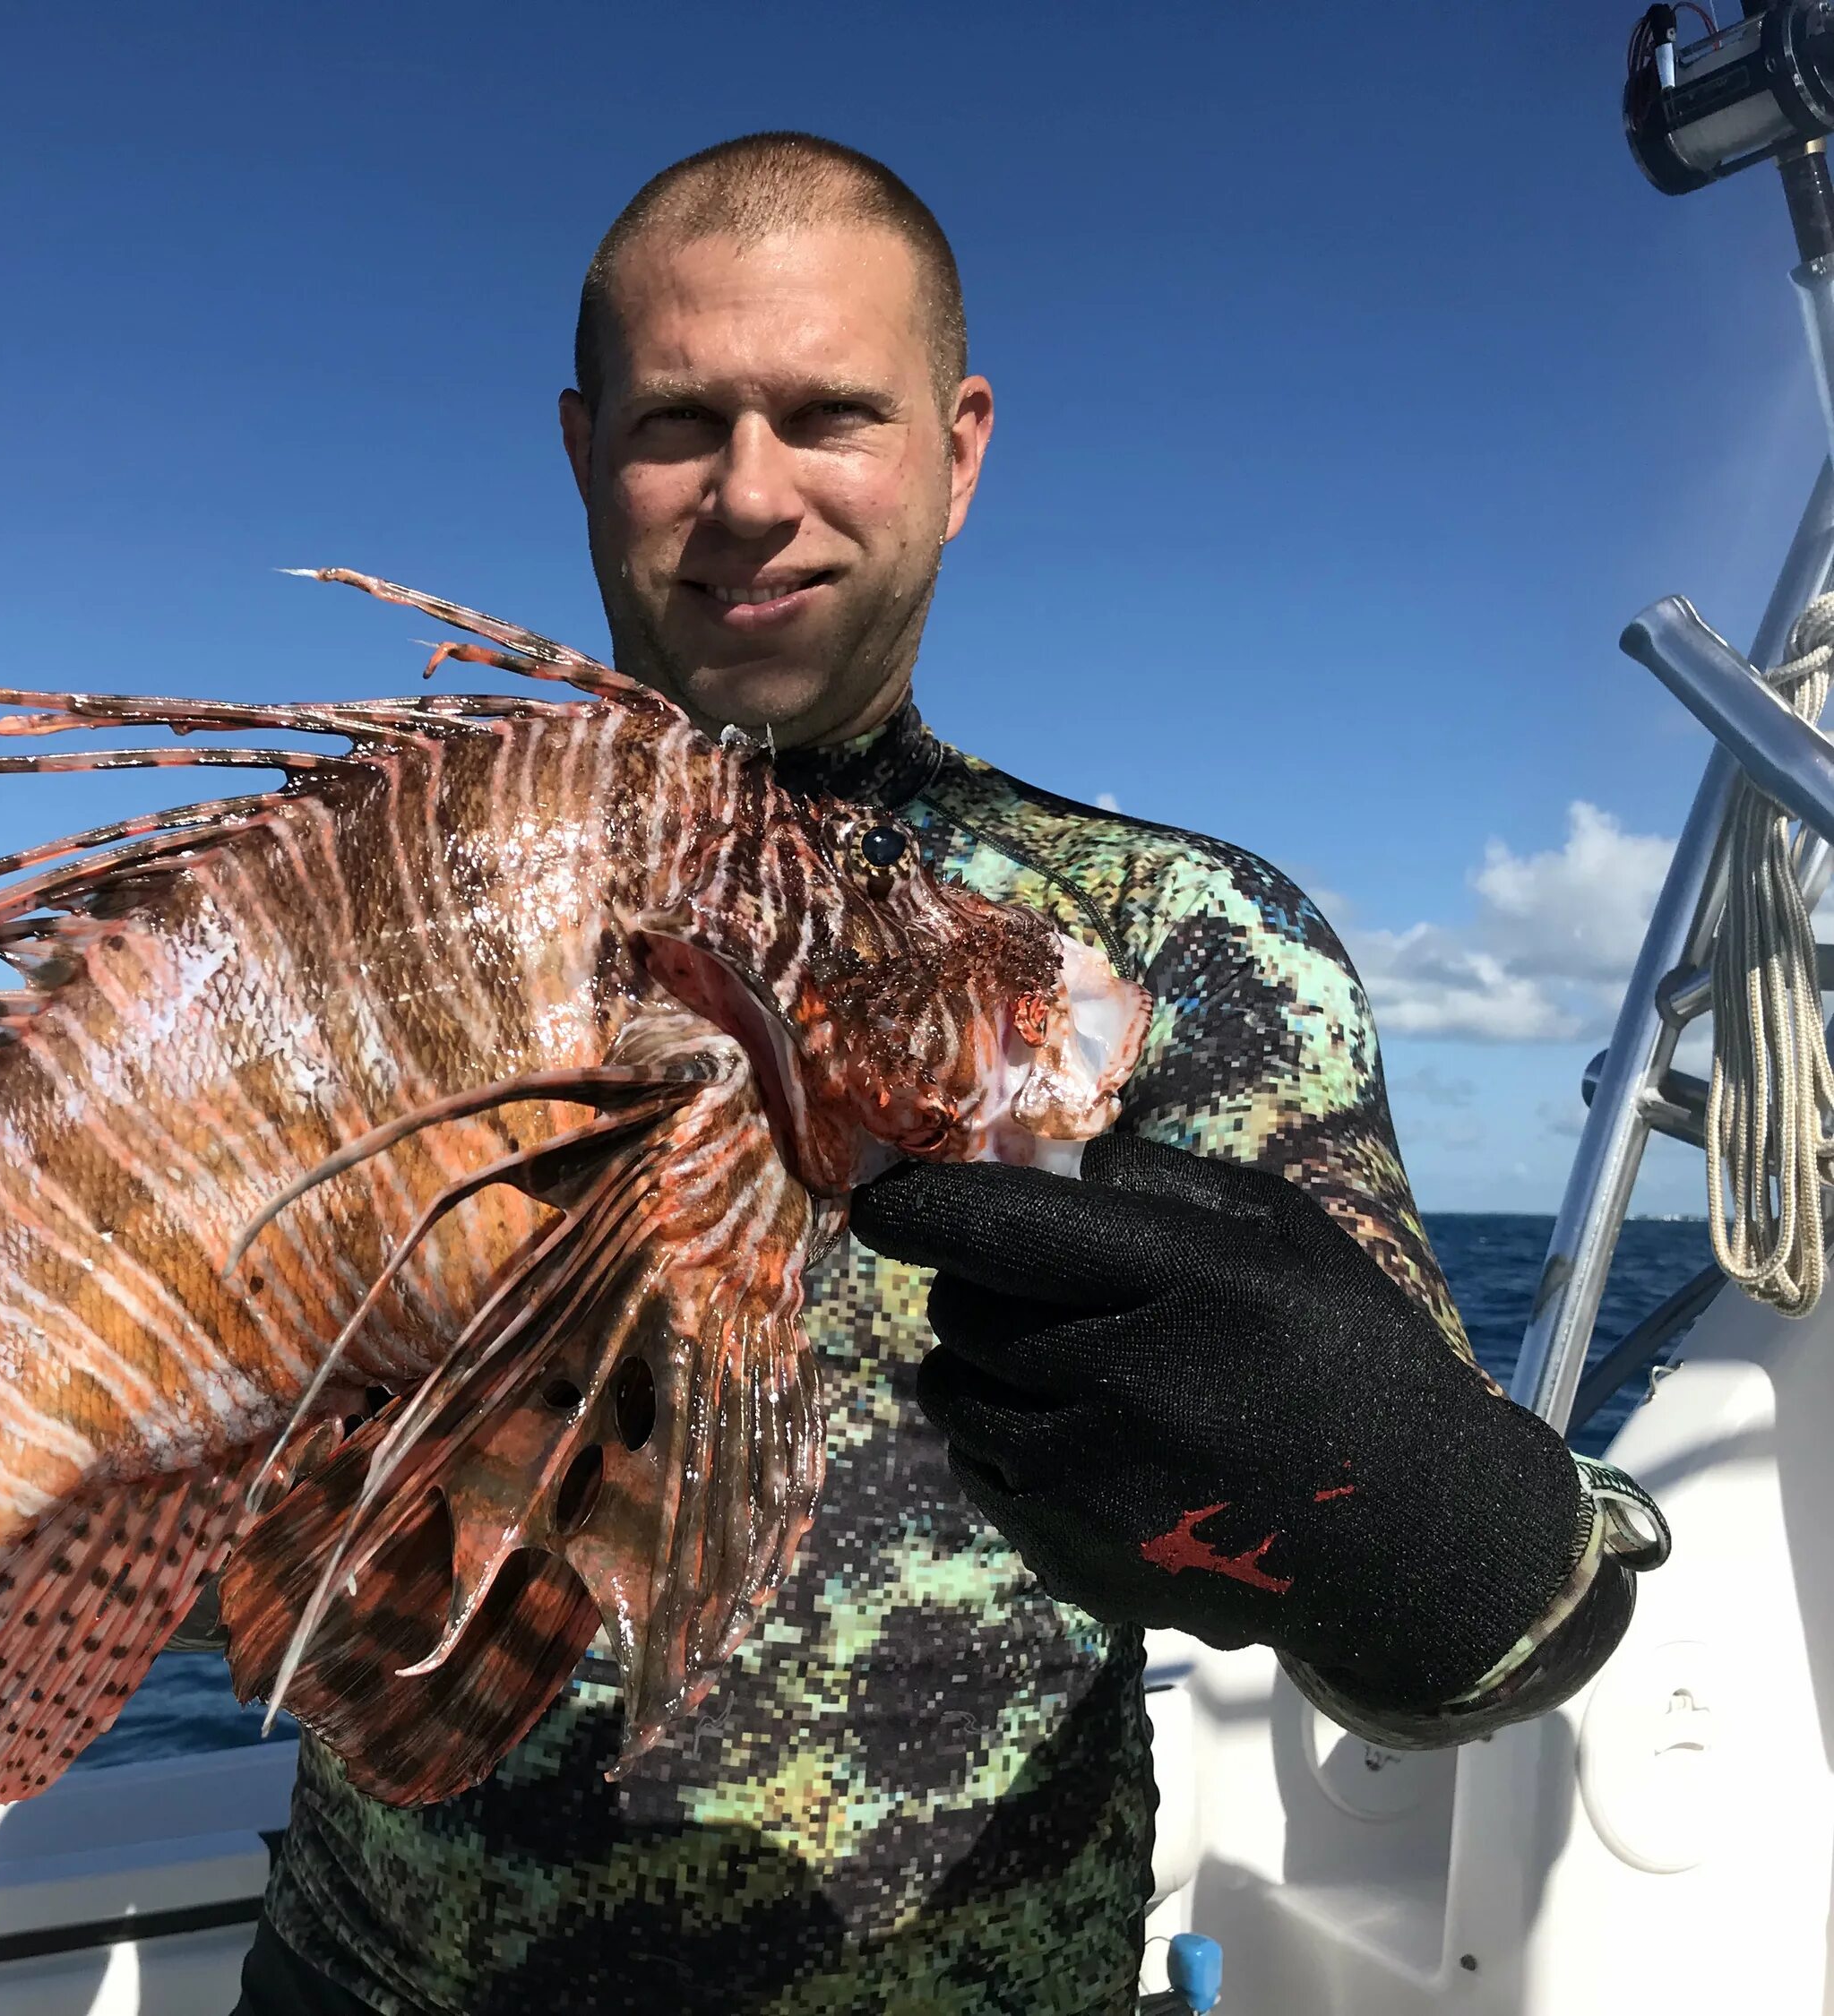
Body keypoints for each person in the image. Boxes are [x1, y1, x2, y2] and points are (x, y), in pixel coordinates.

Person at [228, 132, 1669, 2016]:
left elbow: (1440, 1654)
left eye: (832, 413)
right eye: (680, 424)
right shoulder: (361, 913)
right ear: (583, 451)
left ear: (959, 448)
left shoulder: (1164, 942)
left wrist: (1421, 1521)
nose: (752, 496)